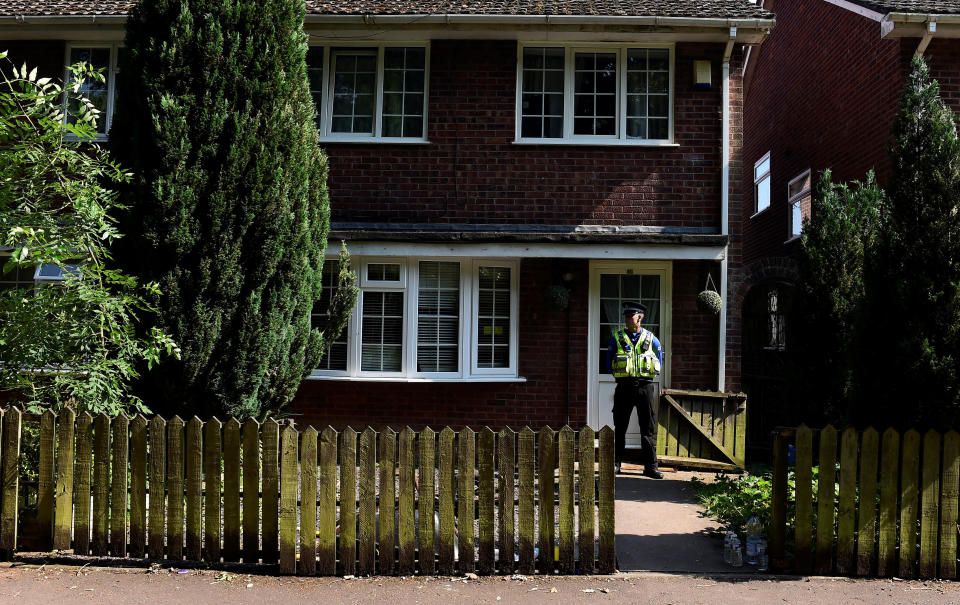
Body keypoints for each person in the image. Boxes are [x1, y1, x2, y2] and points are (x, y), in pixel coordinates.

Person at [607, 301, 664, 478]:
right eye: (625, 316)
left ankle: (651, 467)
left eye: (630, 316)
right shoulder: (617, 337)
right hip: (624, 386)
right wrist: (620, 377)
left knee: (647, 428)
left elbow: (659, 361)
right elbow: (609, 361)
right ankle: (616, 464)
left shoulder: (651, 338)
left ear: (640, 317)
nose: (627, 319)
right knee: (620, 426)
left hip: (645, 387)